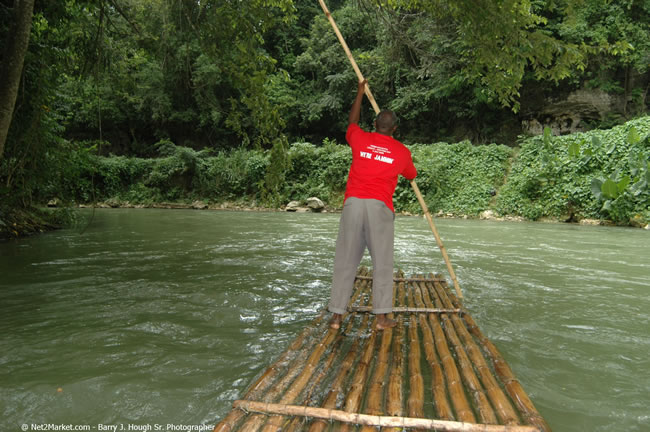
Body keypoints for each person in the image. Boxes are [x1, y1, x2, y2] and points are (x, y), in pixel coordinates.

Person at [328, 79, 417, 330]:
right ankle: (381, 319)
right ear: (395, 129)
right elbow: (411, 175)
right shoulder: (401, 152)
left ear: (375, 125)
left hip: (353, 205)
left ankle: (336, 316)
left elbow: (351, 123)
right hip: (379, 208)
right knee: (382, 263)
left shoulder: (360, 138)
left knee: (345, 260)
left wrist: (359, 94)